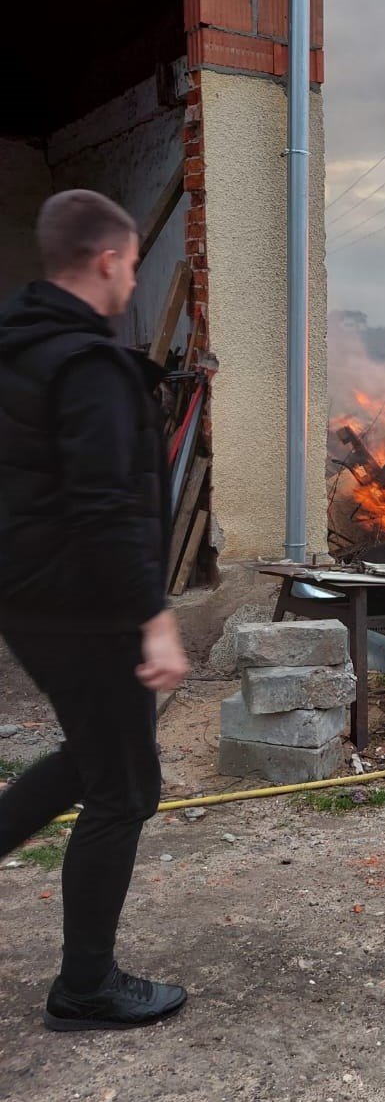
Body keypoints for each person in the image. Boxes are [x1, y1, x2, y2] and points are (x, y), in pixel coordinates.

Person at [0, 189, 190, 1030]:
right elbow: (105, 505)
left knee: (93, 756)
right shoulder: (89, 365)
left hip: (30, 598)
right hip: (85, 603)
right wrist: (152, 616)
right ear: (110, 258)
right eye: (133, 265)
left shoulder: (17, 349)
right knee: (124, 787)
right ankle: (85, 985)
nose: (133, 279)